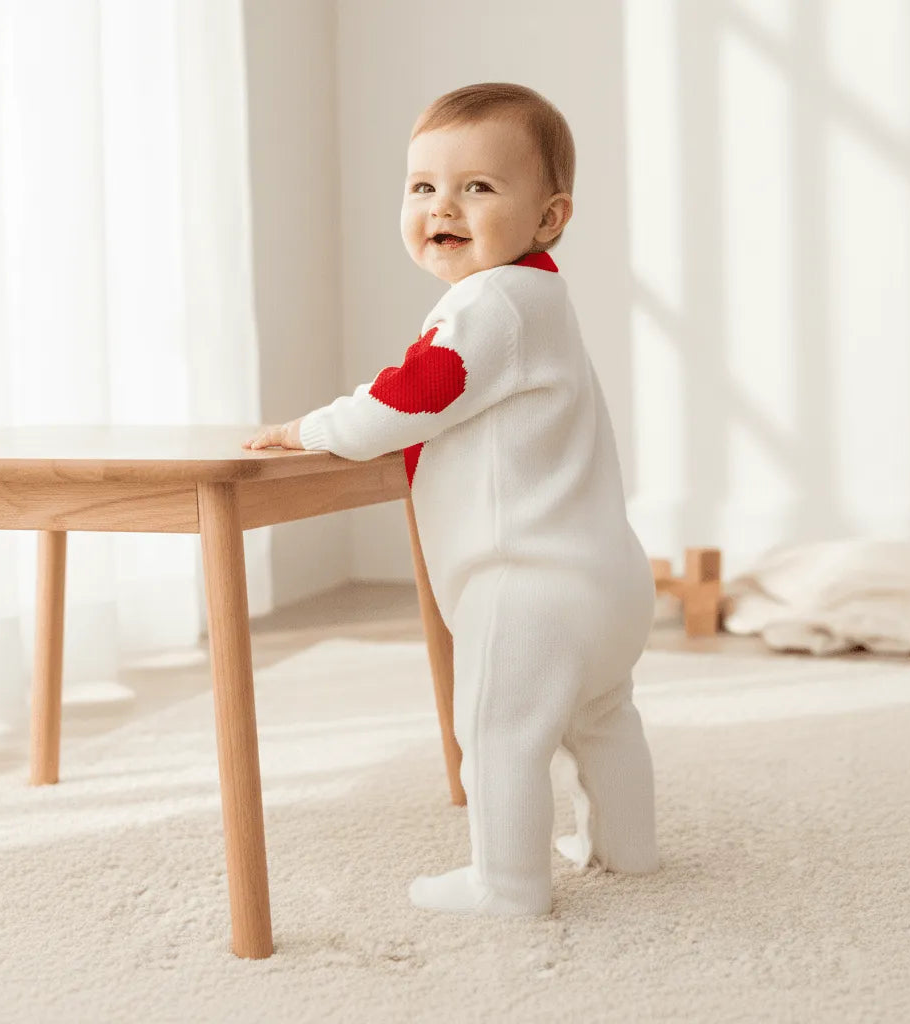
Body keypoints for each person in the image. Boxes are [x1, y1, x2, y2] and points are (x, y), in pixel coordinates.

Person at [242, 82, 660, 916]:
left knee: (499, 733)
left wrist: (313, 428)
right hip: (607, 580)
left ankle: (505, 885)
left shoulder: (490, 302)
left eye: (479, 186)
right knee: (603, 717)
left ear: (548, 219)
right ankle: (628, 846)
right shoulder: (542, 299)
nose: (445, 206)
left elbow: (414, 396)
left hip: (529, 584)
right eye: (423, 186)